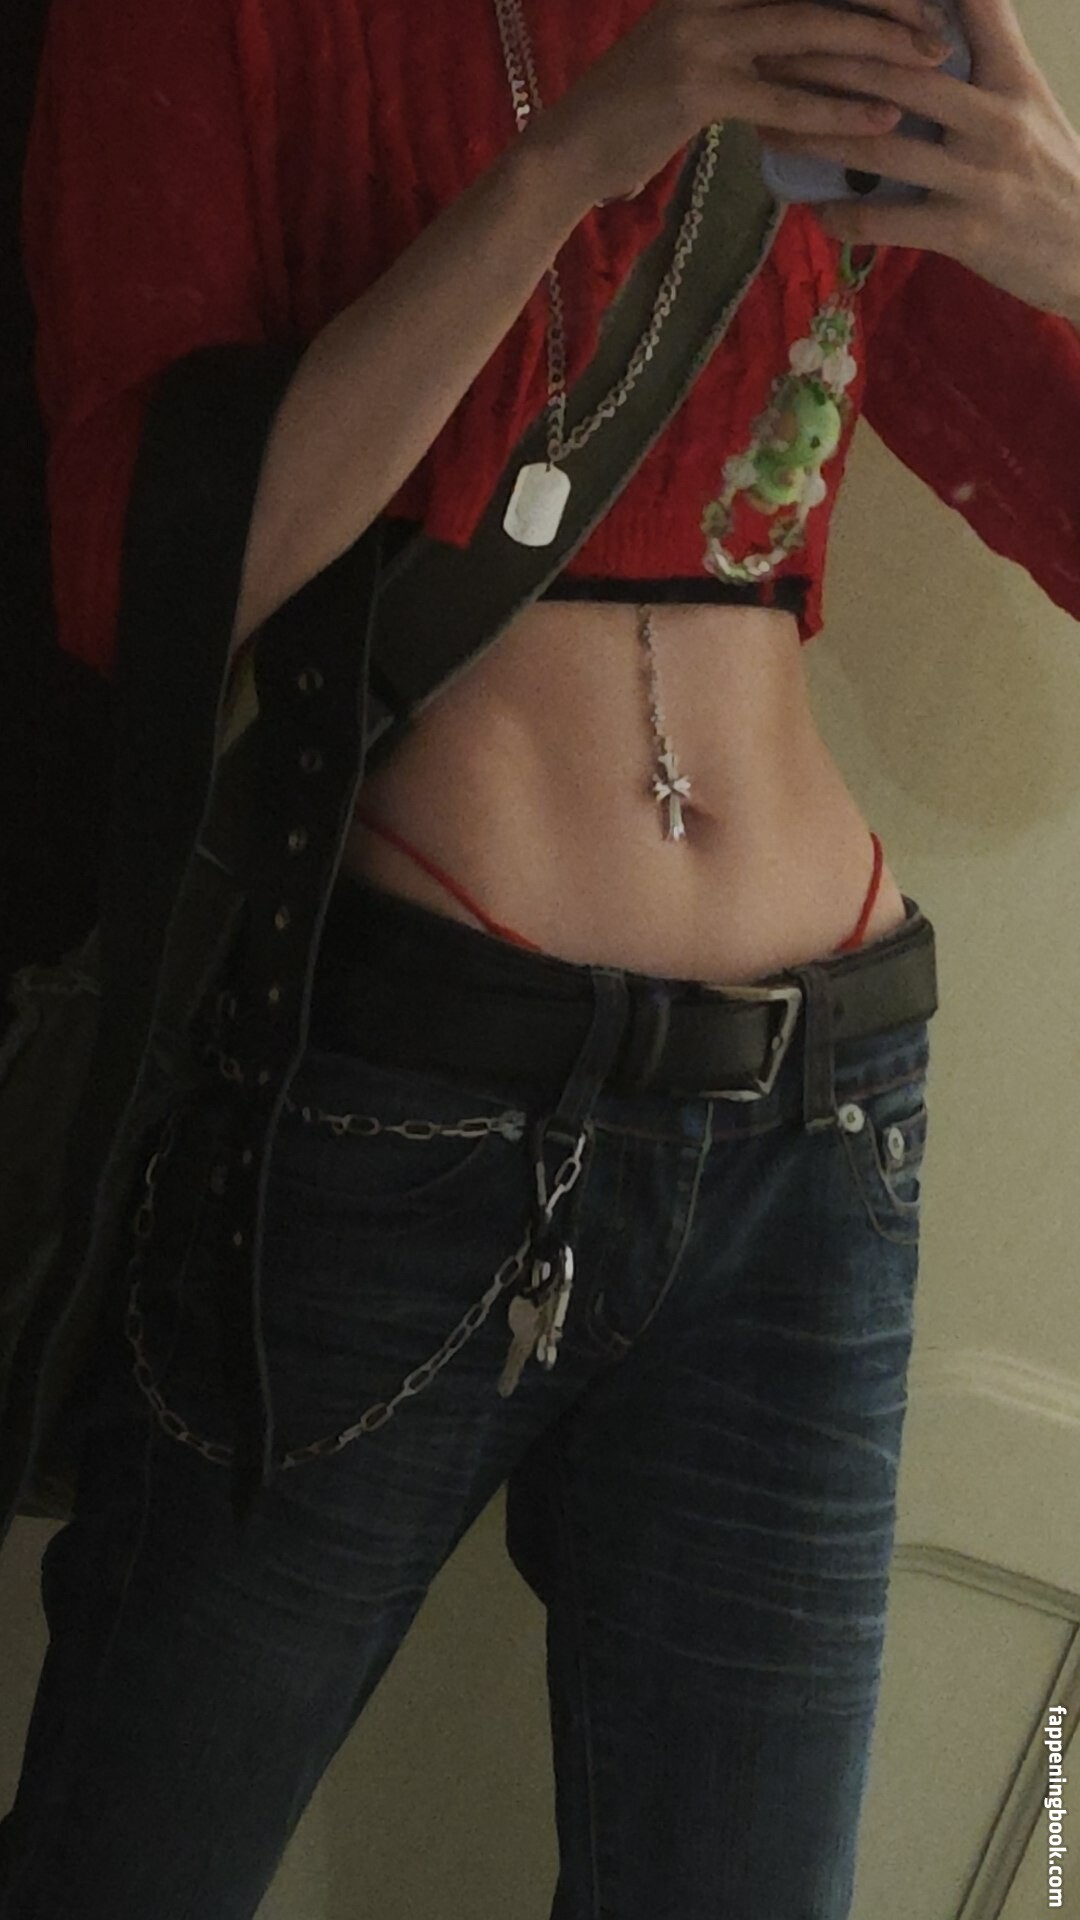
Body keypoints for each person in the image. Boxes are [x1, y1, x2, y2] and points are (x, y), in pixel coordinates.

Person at [3, 0, 1079, 1913]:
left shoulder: (841, 21)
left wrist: (1065, 240)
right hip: (393, 1104)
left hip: (816, 1137)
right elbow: (143, 581)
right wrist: (580, 151)